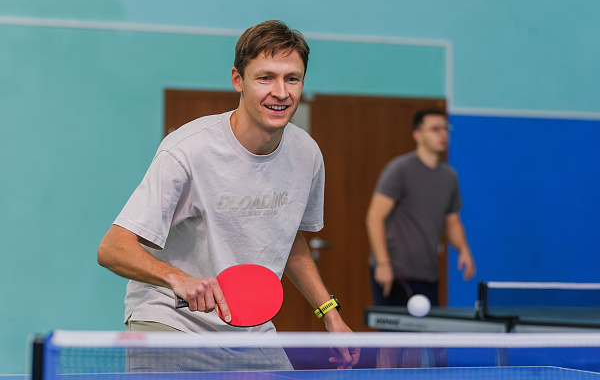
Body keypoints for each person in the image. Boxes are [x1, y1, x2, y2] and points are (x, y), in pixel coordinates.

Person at [97, 20, 359, 371]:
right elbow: (112, 247)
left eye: (292, 79)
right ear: (238, 80)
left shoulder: (307, 154)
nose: (280, 92)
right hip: (173, 322)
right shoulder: (187, 151)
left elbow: (288, 239)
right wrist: (178, 278)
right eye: (265, 77)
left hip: (251, 331)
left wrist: (330, 314)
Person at [365, 109, 476, 307]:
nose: (443, 134)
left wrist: (463, 250)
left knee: (428, 328)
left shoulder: (449, 177)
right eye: (435, 129)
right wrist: (382, 264)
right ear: (417, 135)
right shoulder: (399, 170)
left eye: (446, 128)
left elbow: (452, 222)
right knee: (394, 328)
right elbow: (374, 217)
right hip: (395, 274)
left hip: (428, 276)